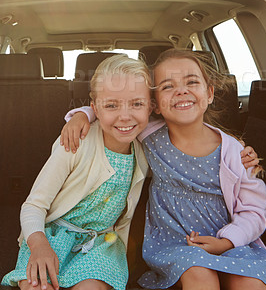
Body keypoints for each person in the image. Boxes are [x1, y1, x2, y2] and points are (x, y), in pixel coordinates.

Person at [62, 50, 266, 289]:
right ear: (154, 105)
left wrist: (228, 241)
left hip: (232, 241)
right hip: (175, 242)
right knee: (199, 273)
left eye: (192, 82)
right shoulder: (148, 134)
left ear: (209, 94)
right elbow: (115, 110)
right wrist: (82, 115)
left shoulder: (234, 152)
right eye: (168, 86)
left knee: (249, 283)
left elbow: (254, 211)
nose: (181, 91)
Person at [1, 55, 153, 290]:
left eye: (137, 104)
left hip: (102, 244)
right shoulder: (74, 143)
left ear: (151, 106)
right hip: (50, 237)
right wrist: (38, 244)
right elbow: (33, 205)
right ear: (95, 108)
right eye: (111, 105)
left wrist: (83, 113)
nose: (125, 115)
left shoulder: (146, 149)